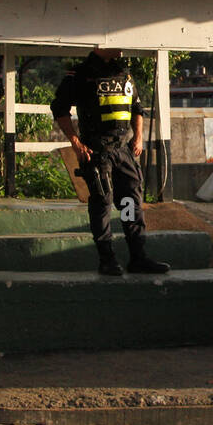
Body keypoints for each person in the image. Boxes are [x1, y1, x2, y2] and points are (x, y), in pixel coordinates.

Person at [51, 48, 170, 276]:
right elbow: (59, 108)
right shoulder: (80, 74)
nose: (122, 47)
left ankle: (137, 257)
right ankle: (107, 259)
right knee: (102, 204)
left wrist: (138, 137)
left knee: (129, 203)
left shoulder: (123, 73)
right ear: (100, 46)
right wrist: (76, 143)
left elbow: (136, 108)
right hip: (96, 150)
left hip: (123, 151)